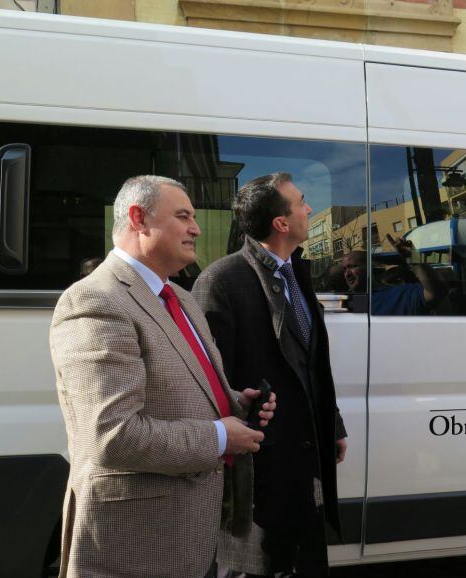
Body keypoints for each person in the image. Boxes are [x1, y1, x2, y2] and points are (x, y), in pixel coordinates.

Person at [50, 175, 274, 578]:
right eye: (183, 216)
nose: (196, 228)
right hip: (136, 546)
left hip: (190, 536)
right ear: (139, 218)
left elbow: (179, 388)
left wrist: (236, 403)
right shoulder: (96, 300)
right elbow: (113, 436)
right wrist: (220, 437)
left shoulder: (180, 298)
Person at [193, 172, 347, 577]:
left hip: (305, 464)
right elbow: (207, 385)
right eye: (301, 202)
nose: (309, 208)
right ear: (281, 223)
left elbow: (311, 364)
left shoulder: (296, 272)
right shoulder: (221, 281)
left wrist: (331, 423)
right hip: (259, 473)